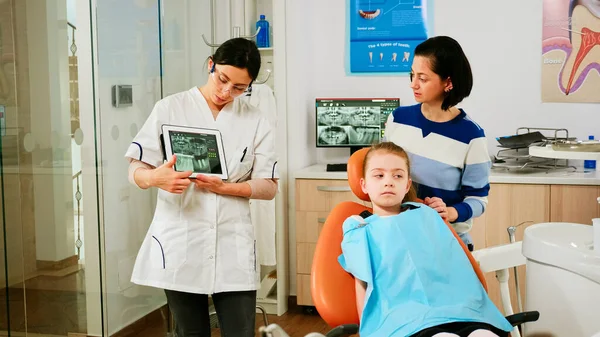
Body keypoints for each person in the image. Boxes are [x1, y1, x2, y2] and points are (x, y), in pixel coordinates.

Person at [124, 38, 279, 337]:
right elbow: (135, 169)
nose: (226, 92)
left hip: (233, 243)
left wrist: (226, 189)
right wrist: (156, 178)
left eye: (238, 88)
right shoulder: (171, 107)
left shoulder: (255, 119)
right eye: (222, 79)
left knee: (240, 331)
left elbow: (269, 186)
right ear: (211, 65)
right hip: (182, 241)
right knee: (190, 332)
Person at [338, 142, 512, 337]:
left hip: (458, 309)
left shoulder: (425, 213)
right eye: (379, 175)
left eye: (398, 175)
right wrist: (367, 329)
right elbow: (362, 281)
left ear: (407, 185)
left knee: (483, 335)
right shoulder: (360, 227)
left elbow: (453, 263)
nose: (388, 182)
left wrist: (441, 213)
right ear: (364, 184)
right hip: (403, 319)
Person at [385, 36, 491, 250]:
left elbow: (478, 200)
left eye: (422, 78)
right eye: (412, 75)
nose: (413, 84)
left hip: (447, 242)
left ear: (448, 82)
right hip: (400, 237)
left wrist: (450, 212)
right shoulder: (397, 119)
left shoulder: (471, 135)